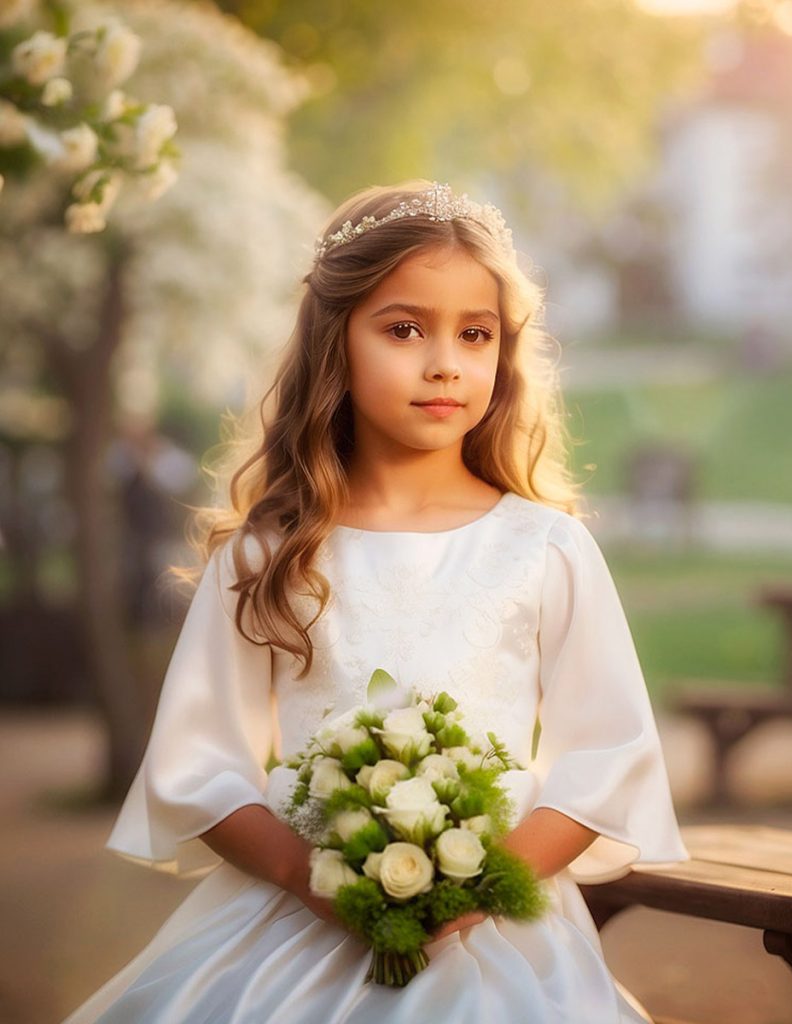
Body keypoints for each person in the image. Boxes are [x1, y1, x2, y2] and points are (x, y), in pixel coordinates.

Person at [62, 179, 689, 1024]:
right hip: (295, 921)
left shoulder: (545, 549)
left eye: (476, 334)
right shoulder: (268, 551)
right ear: (336, 343)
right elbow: (200, 764)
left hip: (500, 931)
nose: (444, 362)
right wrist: (311, 880)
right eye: (403, 329)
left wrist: (475, 889)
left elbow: (606, 757)